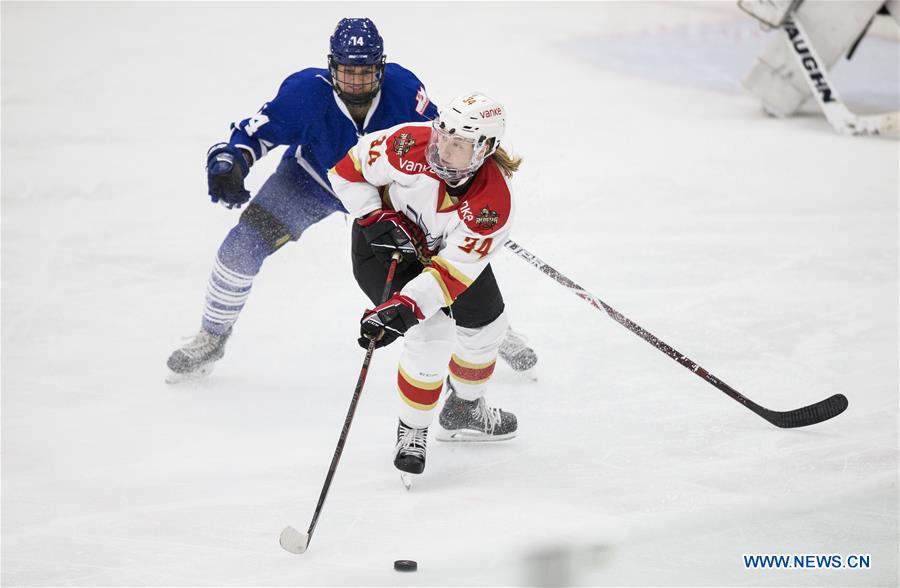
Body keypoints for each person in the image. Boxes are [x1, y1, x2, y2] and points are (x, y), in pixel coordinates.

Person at [166, 18, 537, 382]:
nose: (357, 81)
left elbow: (445, 143)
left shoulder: (405, 90)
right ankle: (212, 336)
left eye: (366, 71)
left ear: (382, 66)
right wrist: (231, 159)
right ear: (331, 67)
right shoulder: (305, 92)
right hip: (310, 182)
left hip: (388, 195)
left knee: (449, 264)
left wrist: (468, 204)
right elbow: (258, 132)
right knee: (241, 246)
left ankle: (491, 329)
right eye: (347, 71)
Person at [329, 91, 520, 477]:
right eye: (442, 137)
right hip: (382, 252)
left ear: (484, 149)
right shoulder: (405, 144)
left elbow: (449, 275)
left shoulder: (492, 203)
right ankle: (412, 428)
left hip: (444, 265)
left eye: (459, 145)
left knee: (487, 327)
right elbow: (345, 172)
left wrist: (402, 309)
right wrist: (372, 216)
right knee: (430, 333)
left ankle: (464, 408)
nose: (443, 150)